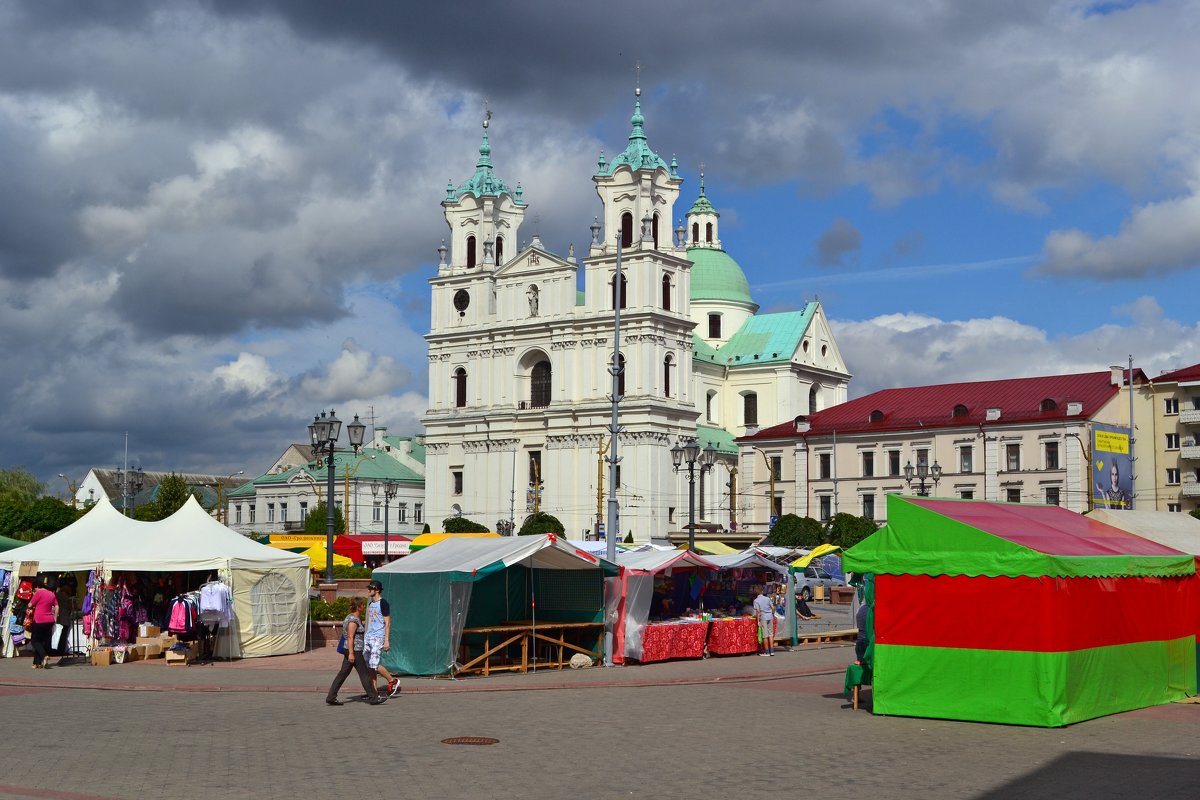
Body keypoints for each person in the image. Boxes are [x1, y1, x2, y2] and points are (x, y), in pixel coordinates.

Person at [325, 597, 386, 706]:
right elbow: (350, 636)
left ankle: (331, 697)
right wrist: (352, 653)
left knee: (343, 673)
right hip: (354, 650)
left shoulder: (354, 618)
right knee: (364, 674)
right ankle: (373, 697)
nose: (364, 606)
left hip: (352, 650)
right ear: (358, 607)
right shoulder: (352, 620)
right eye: (362, 605)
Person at [364, 580, 401, 697]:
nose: (368, 590)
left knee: (374, 664)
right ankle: (373, 692)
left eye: (371, 588)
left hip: (378, 637)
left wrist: (386, 640)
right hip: (368, 636)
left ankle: (392, 680)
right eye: (368, 588)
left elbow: (387, 623)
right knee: (369, 665)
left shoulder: (383, 603)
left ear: (377, 590)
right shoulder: (370, 603)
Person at [26, 577, 58, 669]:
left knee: (34, 641)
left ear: (37, 586)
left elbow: (30, 605)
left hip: (39, 619)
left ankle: (44, 655)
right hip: (50, 620)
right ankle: (37, 663)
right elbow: (56, 606)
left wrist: (33, 597)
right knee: (41, 641)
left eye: (34, 588)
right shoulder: (51, 594)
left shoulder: (38, 593)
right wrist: (55, 617)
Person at [753, 585, 775, 656]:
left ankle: (766, 652)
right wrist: (772, 615)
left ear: (756, 593)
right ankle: (772, 651)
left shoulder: (756, 601)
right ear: (762, 591)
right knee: (770, 634)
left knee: (765, 635)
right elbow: (773, 608)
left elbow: (758, 611)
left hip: (763, 618)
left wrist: (758, 621)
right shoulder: (767, 598)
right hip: (770, 617)